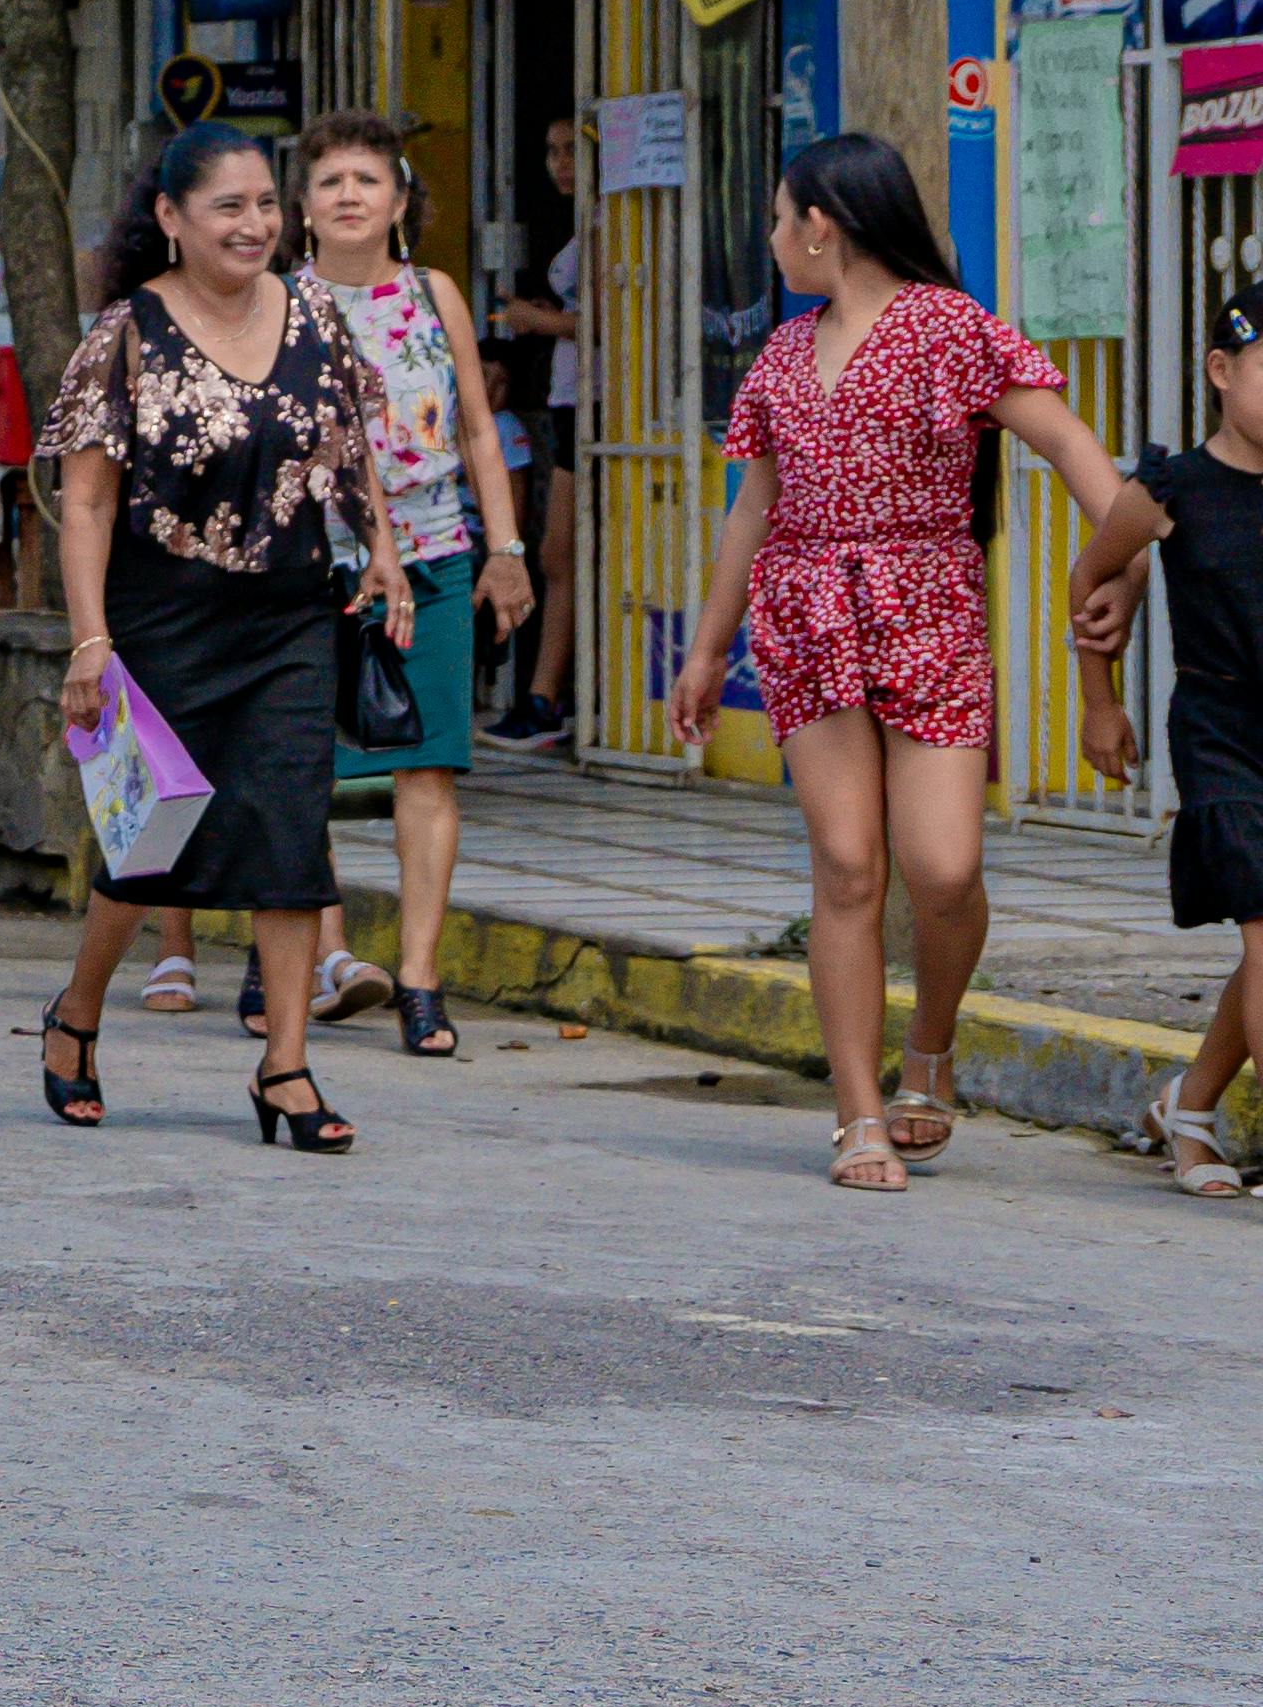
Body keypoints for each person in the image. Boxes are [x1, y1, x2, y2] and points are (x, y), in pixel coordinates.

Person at [666, 132, 1131, 1194]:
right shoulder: (783, 354)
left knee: (945, 868)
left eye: (783, 219)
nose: (776, 239)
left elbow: (1065, 442)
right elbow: (756, 507)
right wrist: (705, 650)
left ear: (822, 226)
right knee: (848, 868)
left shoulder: (948, 328)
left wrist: (1125, 553)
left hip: (928, 610)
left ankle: (930, 1043)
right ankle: (860, 1114)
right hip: (806, 615)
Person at [23, 126, 406, 1157]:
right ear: (171, 218)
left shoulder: (317, 313)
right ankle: (77, 1016)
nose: (254, 225)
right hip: (161, 619)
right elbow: (88, 503)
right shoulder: (128, 334)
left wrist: (383, 553)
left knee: (291, 833)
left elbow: (349, 446)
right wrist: (89, 640)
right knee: (148, 845)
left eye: (266, 205)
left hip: (289, 614)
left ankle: (284, 1067)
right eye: (228, 207)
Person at [298, 113, 530, 1057]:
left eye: (366, 179)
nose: (348, 195)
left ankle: (423, 984)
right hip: (316, 569)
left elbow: (477, 428)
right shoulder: (281, 306)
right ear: (303, 210)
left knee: (429, 765)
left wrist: (504, 549)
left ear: (399, 199)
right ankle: (322, 956)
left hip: (436, 557)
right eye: (329, 182)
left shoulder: (433, 295)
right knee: (304, 770)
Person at [1067, 280, 1263, 1203]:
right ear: (1221, 371)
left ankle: (1186, 1108)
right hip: (1222, 731)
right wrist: (1099, 704)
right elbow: (1095, 574)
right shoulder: (1173, 486)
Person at [484, 119, 593, 746]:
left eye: (570, 150)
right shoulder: (581, 224)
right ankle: (544, 693)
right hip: (569, 397)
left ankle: (546, 697)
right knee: (560, 551)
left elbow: (611, 316)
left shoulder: (610, 222)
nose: (558, 164)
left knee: (559, 551)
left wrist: (536, 320)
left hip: (596, 399)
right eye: (550, 151)